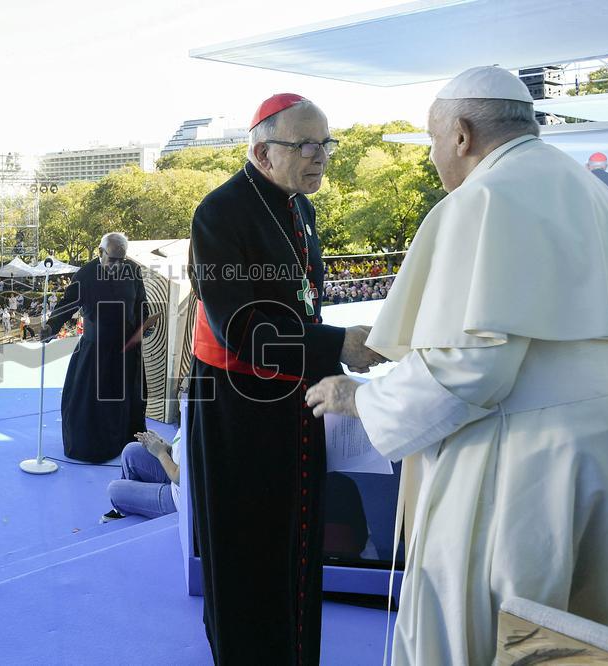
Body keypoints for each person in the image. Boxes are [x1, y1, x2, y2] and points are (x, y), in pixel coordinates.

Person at [306, 66, 608, 666]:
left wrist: (361, 397)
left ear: (460, 134)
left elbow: (471, 367)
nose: (433, 158)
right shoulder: (592, 190)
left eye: (432, 141)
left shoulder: (483, 197)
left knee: (492, 633)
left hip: (531, 462)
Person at [187, 93, 383, 665]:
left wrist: (332, 350)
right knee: (249, 550)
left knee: (298, 546)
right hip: (239, 412)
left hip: (295, 397)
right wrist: (336, 345)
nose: (320, 155)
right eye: (305, 144)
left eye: (325, 143)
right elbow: (243, 330)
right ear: (262, 152)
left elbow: (303, 301)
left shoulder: (301, 206)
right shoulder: (220, 213)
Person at [43, 232, 155, 463]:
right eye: (112, 259)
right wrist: (51, 326)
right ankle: (95, 449)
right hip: (96, 353)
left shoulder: (132, 270)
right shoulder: (85, 275)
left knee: (126, 402)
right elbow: (67, 305)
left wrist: (144, 327)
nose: (117, 265)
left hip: (126, 352)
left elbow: (140, 302)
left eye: (121, 260)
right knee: (92, 406)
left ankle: (127, 444)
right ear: (100, 252)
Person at [101, 428, 180, 523]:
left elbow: (179, 478)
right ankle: (131, 504)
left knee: (114, 490)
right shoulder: (191, 417)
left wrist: (161, 453)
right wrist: (165, 447)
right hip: (177, 481)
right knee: (131, 451)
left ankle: (129, 503)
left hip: (181, 499)